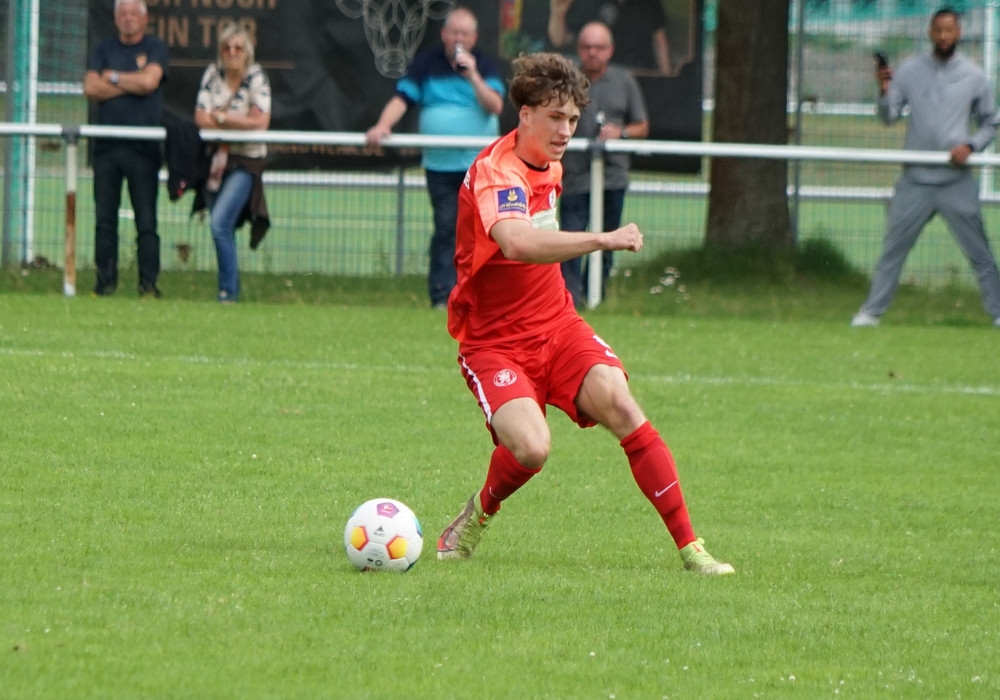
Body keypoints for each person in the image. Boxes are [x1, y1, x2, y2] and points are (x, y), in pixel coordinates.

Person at [436, 52, 733, 575]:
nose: (566, 131)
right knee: (531, 449)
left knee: (621, 404)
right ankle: (477, 514)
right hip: (495, 343)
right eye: (555, 117)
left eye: (573, 119)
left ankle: (692, 549)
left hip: (557, 326)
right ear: (525, 113)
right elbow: (517, 242)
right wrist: (602, 238)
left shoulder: (549, 162)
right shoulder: (497, 172)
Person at [852, 8, 1000, 328]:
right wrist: (883, 90)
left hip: (956, 182)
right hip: (915, 181)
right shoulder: (909, 71)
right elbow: (889, 116)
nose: (944, 36)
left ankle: (998, 312)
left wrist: (971, 146)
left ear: (958, 33)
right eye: (939, 30)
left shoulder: (975, 77)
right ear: (930, 32)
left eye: (949, 30)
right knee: (893, 250)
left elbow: (991, 123)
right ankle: (871, 313)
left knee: (980, 254)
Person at [365, 6, 505, 309]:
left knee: (482, 231)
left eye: (464, 34)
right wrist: (383, 125)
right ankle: (442, 295)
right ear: (444, 34)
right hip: (440, 166)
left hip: (479, 168)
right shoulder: (426, 63)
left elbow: (495, 105)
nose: (459, 39)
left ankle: (481, 295)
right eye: (454, 32)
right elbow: (402, 99)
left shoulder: (485, 65)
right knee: (446, 228)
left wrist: (473, 75)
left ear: (474, 38)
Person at [558, 21, 649, 307]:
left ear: (610, 50)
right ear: (578, 49)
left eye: (599, 47)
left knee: (609, 239)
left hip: (612, 177)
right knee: (570, 240)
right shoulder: (567, 81)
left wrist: (620, 133)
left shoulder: (624, 81)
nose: (592, 53)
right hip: (574, 176)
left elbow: (642, 126)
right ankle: (569, 301)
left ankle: (596, 294)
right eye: (587, 47)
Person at [83, 0, 168, 298]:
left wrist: (114, 78)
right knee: (105, 221)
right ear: (115, 18)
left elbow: (149, 82)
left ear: (144, 19)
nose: (128, 19)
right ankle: (104, 284)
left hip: (143, 150)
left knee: (146, 222)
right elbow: (91, 88)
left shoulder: (155, 48)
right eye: (123, 14)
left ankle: (148, 285)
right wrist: (131, 84)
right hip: (107, 149)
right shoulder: (103, 48)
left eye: (134, 14)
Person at [193, 25, 272, 304]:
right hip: (216, 160)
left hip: (246, 162)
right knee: (222, 228)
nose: (232, 53)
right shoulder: (212, 74)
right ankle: (230, 287)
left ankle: (227, 292)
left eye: (238, 48)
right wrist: (240, 122)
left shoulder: (257, 77)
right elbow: (200, 117)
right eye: (227, 48)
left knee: (219, 223)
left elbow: (260, 122)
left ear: (247, 52)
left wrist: (223, 118)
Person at [548, 0, 672, 75]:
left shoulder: (650, 2)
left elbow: (659, 38)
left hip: (643, 74)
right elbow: (560, 40)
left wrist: (666, 75)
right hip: (602, 77)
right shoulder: (588, 3)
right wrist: (558, 13)